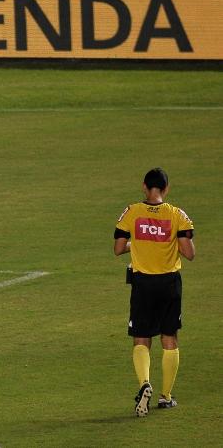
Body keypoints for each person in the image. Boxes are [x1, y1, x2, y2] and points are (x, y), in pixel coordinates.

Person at [114, 167, 195, 417]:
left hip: (143, 284)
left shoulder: (131, 212)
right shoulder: (177, 215)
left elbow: (118, 248)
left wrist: (137, 243)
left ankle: (144, 384)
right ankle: (166, 396)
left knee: (141, 338)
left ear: (144, 187)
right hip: (170, 283)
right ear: (166, 188)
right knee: (169, 338)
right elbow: (189, 253)